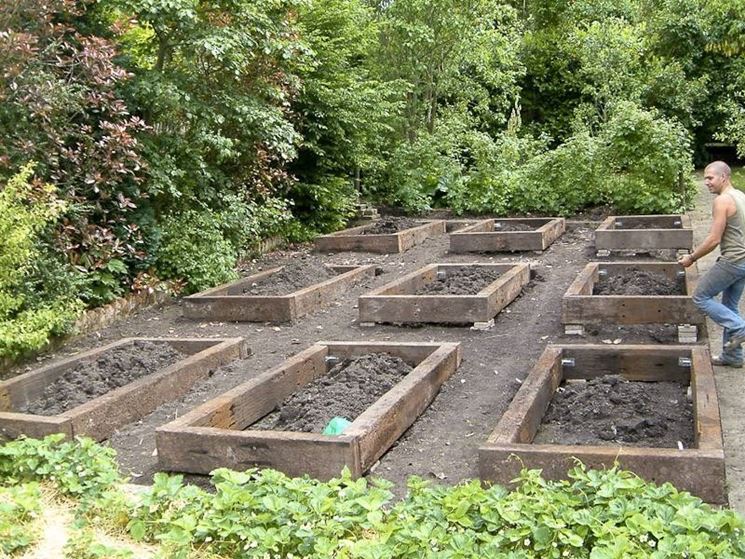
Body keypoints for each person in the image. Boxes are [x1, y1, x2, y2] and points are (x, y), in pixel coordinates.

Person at [679, 161, 745, 367]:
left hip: (733, 261)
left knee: (700, 296)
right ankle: (732, 357)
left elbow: (713, 239)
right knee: (729, 306)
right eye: (705, 177)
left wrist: (691, 258)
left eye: (710, 178)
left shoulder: (722, 201)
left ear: (723, 177)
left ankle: (740, 327)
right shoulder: (740, 195)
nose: (705, 182)